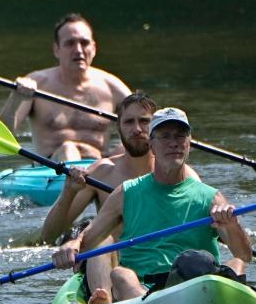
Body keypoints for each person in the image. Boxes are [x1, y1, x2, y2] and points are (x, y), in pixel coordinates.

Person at [51, 107, 252, 304]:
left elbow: (244, 254)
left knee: (236, 263)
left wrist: (231, 224)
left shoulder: (211, 197)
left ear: (188, 144)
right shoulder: (125, 193)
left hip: (197, 282)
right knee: (121, 274)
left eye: (180, 136)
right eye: (165, 136)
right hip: (144, 289)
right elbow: (88, 240)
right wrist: (72, 245)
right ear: (152, 146)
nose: (174, 143)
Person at [36, 91, 199, 245]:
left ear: (156, 128)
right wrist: (68, 192)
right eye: (129, 122)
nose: (136, 129)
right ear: (118, 128)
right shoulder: (100, 173)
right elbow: (49, 236)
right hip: (112, 263)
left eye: (144, 121)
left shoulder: (186, 176)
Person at [0, 13, 131, 161]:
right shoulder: (36, 83)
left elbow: (148, 127)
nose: (78, 50)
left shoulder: (113, 87)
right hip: (52, 169)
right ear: (56, 50)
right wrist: (17, 97)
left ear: (93, 48)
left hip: (99, 167)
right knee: (69, 149)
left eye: (84, 43)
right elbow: (1, 137)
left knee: (129, 147)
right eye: (70, 43)